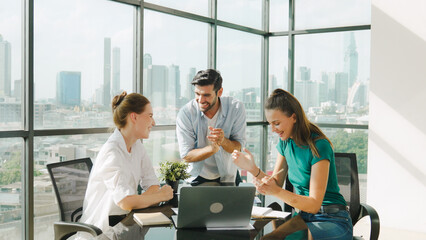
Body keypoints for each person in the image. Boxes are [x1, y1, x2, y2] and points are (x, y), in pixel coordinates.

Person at [232, 89, 353, 239]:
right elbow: (275, 183)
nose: (273, 129)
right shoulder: (285, 144)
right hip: (303, 217)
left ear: (293, 117)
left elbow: (314, 204)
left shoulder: (319, 146)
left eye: (276, 123)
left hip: (331, 217)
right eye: (270, 124)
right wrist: (252, 169)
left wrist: (275, 191)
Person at [80, 92, 173, 231]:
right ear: (134, 117)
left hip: (126, 222)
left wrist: (137, 201)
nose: (153, 122)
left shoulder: (137, 146)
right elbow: (125, 202)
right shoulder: (112, 151)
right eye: (150, 116)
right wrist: (160, 196)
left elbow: (152, 184)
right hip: (104, 229)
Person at [176, 69, 246, 185]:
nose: (201, 100)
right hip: (197, 176)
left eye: (206, 95)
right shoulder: (186, 113)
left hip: (228, 174)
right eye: (197, 94)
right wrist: (212, 149)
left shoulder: (236, 108)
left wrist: (223, 141)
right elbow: (186, 156)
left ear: (219, 92)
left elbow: (238, 148)